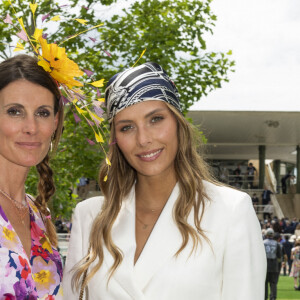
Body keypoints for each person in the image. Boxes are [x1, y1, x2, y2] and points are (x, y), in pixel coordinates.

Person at [63, 62, 266, 299]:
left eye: (156, 119)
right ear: (116, 138)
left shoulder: (231, 210)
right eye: (127, 127)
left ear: (178, 123)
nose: (143, 139)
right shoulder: (89, 216)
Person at [0, 54, 64, 298]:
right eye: (15, 111)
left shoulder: (38, 214)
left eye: (43, 113)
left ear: (55, 122)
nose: (31, 127)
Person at [264, 228, 282, 300]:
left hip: (265, 265)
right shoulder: (277, 244)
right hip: (274, 265)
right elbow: (279, 256)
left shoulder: (263, 243)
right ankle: (273, 297)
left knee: (265, 283)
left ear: (266, 234)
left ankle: (264, 297)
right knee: (273, 283)